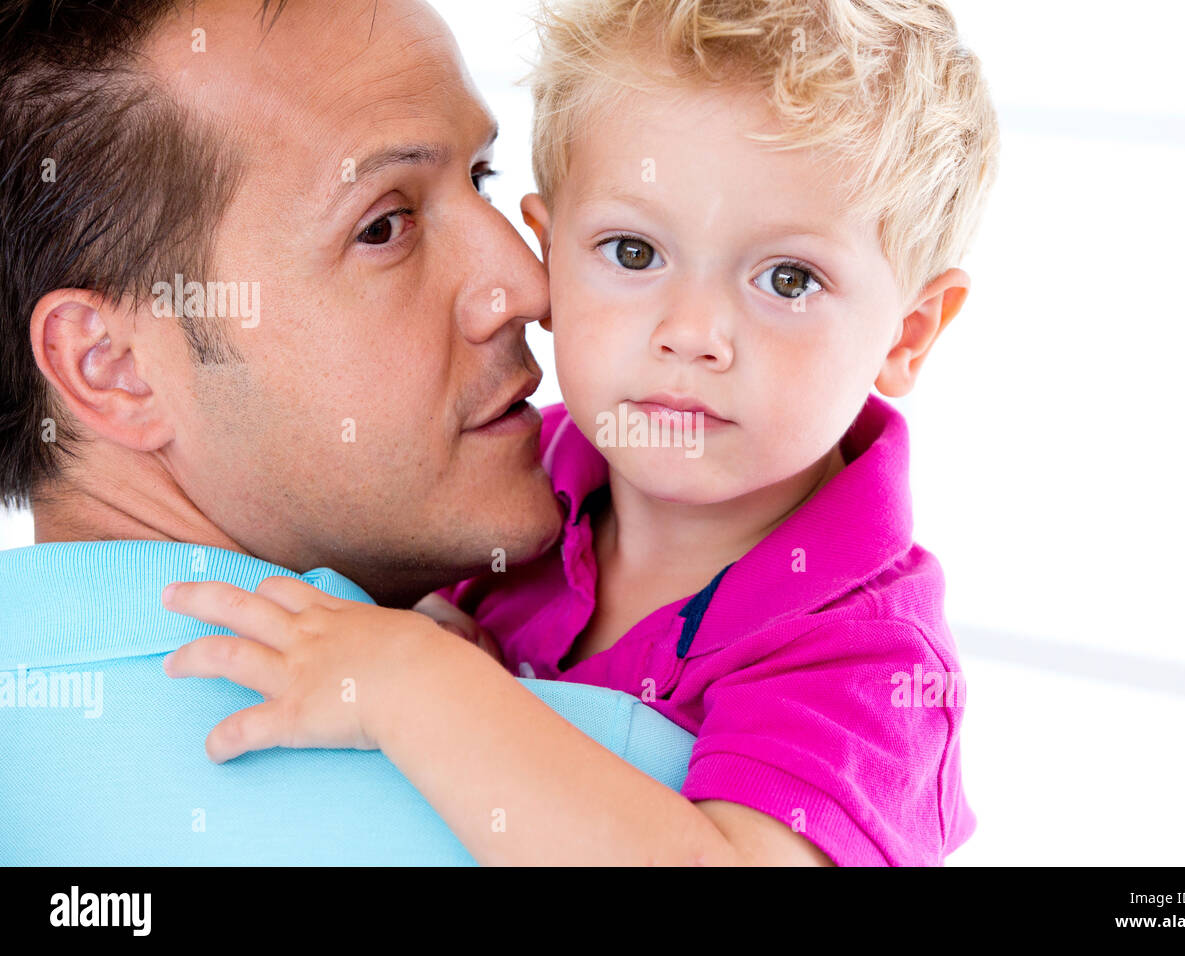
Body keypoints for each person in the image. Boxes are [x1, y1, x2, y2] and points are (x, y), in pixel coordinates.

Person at [161, 0, 999, 865]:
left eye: (788, 278)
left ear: (907, 335)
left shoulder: (867, 658)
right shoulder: (505, 488)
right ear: (547, 258)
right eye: (633, 253)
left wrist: (419, 684)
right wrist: (426, 626)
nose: (691, 332)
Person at [0, 0, 694, 865]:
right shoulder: (636, 803)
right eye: (383, 226)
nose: (527, 283)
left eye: (480, 177)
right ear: (110, 364)